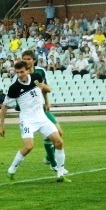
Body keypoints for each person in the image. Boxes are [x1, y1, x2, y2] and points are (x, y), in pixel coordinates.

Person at [0, 61, 65, 181]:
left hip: (41, 118)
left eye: (22, 72)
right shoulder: (14, 88)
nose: (19, 75)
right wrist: (1, 126)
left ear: (28, 70)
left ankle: (60, 173)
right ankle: (11, 169)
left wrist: (45, 88)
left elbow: (47, 90)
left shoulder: (36, 78)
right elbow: (4, 106)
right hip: (27, 119)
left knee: (59, 142)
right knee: (29, 147)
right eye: (17, 72)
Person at [20, 50, 67, 179]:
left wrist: (47, 101)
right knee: (54, 135)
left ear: (34, 60)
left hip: (42, 108)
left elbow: (44, 87)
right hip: (31, 112)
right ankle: (53, 163)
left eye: (29, 59)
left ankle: (48, 158)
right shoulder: (20, 74)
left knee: (59, 133)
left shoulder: (40, 72)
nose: (26, 61)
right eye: (24, 59)